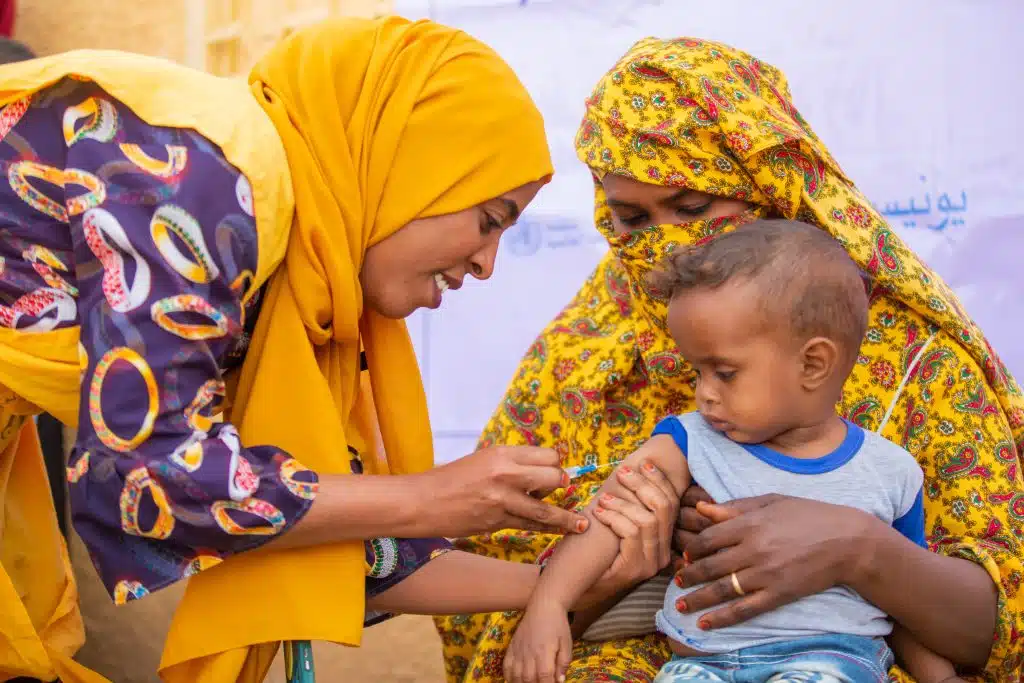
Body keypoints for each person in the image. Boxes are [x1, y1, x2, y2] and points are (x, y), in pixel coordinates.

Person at [0, 17, 676, 683]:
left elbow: (346, 542)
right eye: (489, 219)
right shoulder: (203, 173)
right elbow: (151, 476)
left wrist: (566, 586)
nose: (486, 263)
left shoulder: (293, 280)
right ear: (411, 166)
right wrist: (429, 497)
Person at [435, 36, 1023, 683]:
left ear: (767, 190)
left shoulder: (916, 368)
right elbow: (485, 609)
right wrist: (620, 571)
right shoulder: (584, 358)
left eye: (692, 207)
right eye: (631, 218)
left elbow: (994, 625)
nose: (666, 246)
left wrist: (856, 549)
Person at [505, 219, 966, 683]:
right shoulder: (688, 442)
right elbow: (607, 516)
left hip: (829, 663)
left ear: (813, 364)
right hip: (698, 665)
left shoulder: (890, 472)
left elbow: (903, 603)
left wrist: (940, 679)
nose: (704, 394)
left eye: (724, 373)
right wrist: (549, 605)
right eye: (696, 372)